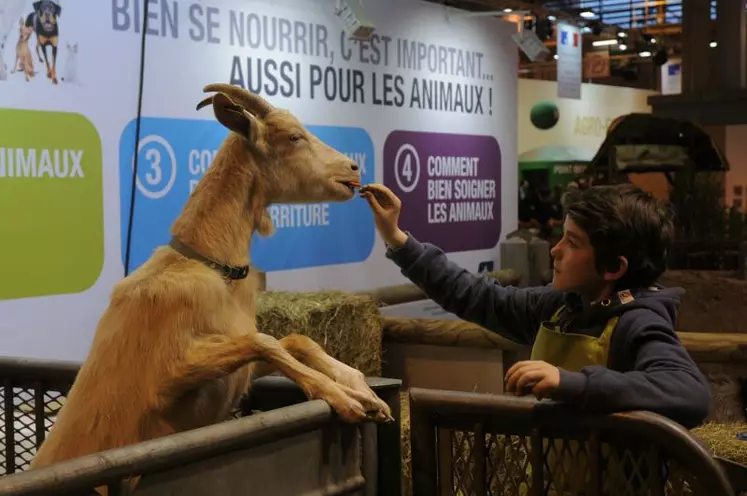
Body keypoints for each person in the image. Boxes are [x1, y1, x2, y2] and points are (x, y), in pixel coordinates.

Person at [359, 182, 711, 429]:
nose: (555, 250)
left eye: (572, 242)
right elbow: (477, 296)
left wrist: (572, 383)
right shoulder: (560, 306)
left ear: (613, 267)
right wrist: (398, 239)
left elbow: (689, 393)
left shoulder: (638, 322)